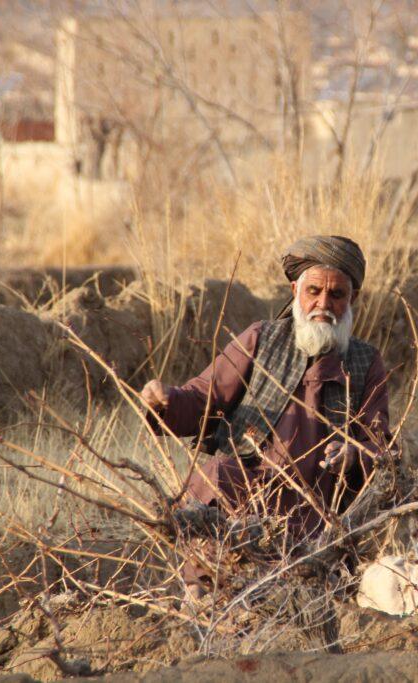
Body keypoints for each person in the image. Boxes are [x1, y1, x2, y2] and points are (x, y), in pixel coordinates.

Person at [142, 235, 390, 596]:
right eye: (314, 291)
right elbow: (204, 396)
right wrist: (166, 400)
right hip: (251, 482)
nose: (324, 304)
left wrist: (353, 455)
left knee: (310, 568)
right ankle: (203, 593)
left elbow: (379, 442)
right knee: (216, 476)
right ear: (295, 291)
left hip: (315, 500)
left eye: (337, 295)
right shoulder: (261, 338)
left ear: (353, 299)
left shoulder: (366, 362)